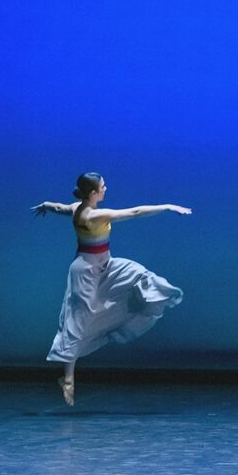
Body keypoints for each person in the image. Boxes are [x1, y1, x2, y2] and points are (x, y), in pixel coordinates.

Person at [32, 173, 190, 405]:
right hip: (86, 271)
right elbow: (135, 212)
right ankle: (68, 379)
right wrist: (167, 206)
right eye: (103, 186)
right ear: (93, 193)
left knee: (139, 274)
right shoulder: (94, 215)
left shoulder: (76, 208)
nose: (106, 189)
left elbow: (58, 207)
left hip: (106, 265)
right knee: (78, 321)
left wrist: (45, 205)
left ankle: (158, 296)